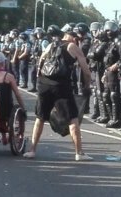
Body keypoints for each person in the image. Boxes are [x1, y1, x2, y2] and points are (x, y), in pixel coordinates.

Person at [23, 25, 93, 161]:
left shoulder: (50, 45)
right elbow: (86, 71)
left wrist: (40, 79)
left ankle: (32, 150)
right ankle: (79, 153)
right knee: (73, 118)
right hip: (61, 86)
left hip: (44, 84)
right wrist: (87, 85)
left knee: (40, 117)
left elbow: (40, 61)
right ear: (73, 36)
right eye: (77, 38)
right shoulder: (72, 47)